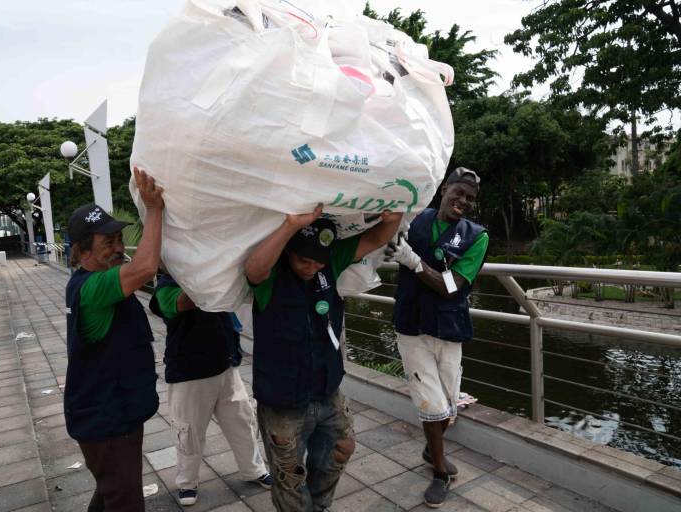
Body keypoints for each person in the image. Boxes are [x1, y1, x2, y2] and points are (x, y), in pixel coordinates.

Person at [244, 205, 402, 512]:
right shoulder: (270, 273)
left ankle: (317, 505)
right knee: (289, 476)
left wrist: (392, 220)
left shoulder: (329, 262)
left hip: (327, 390)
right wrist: (291, 224)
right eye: (304, 259)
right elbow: (253, 270)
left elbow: (375, 238)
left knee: (342, 448)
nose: (311, 267)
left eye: (318, 262)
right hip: (283, 400)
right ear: (288, 251)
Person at [384, 167, 488, 508]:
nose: (463, 201)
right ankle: (440, 472)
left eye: (470, 198)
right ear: (444, 189)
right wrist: (387, 246)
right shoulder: (413, 219)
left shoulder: (477, 237)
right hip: (411, 325)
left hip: (449, 326)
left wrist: (413, 262)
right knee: (430, 403)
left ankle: (432, 448)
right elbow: (383, 234)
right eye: (458, 192)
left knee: (447, 404)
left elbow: (452, 287)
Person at [64, 168, 164, 512]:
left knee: (111, 493)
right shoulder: (93, 288)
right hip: (105, 421)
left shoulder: (95, 281)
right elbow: (146, 266)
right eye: (108, 243)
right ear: (82, 252)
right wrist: (155, 209)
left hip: (111, 413)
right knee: (125, 501)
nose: (120, 248)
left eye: (119, 240)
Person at [149, 273, 273, 506]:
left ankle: (253, 469)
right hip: (189, 372)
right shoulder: (166, 286)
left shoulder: (217, 275)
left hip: (226, 365)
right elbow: (182, 302)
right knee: (189, 432)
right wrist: (214, 271)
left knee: (243, 421)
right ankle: (187, 482)